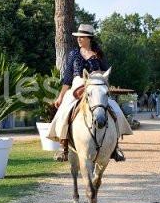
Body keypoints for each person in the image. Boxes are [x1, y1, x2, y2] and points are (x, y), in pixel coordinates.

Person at [49, 24, 133, 162]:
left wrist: (99, 76)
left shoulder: (99, 55)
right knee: (64, 110)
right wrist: (61, 96)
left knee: (115, 109)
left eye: (81, 37)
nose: (79, 39)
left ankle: (115, 147)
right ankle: (63, 147)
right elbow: (68, 77)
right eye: (78, 37)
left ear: (89, 38)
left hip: (95, 86)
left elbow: (106, 74)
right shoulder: (73, 54)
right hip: (78, 85)